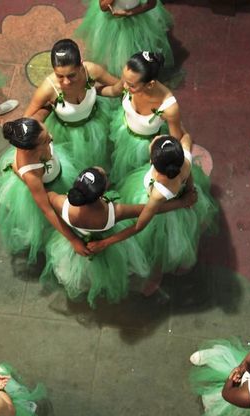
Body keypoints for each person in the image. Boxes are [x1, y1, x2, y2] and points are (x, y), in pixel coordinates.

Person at [41, 167, 195, 306]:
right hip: (104, 242)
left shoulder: (62, 203)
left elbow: (47, 199)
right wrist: (181, 203)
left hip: (75, 243)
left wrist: (73, 239)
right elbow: (150, 209)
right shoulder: (113, 212)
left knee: (85, 272)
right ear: (101, 193)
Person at [92, 136, 216, 276]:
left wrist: (105, 243)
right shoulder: (185, 159)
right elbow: (186, 138)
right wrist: (189, 188)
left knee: (156, 240)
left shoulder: (158, 194)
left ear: (153, 163)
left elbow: (139, 226)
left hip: (164, 212)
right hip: (179, 193)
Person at [0, 118, 91, 263]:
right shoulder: (32, 174)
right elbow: (47, 210)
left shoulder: (31, 132)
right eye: (45, 140)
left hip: (56, 172)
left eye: (47, 133)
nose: (51, 138)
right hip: (49, 187)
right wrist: (73, 239)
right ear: (29, 150)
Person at [24, 39, 121, 170]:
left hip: (97, 121)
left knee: (101, 152)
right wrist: (45, 111)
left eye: (72, 75)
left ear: (81, 66)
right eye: (60, 76)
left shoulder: (91, 70)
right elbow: (27, 119)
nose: (66, 82)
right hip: (67, 135)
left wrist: (101, 91)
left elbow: (117, 84)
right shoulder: (48, 88)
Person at [108, 51, 189, 182]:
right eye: (124, 79)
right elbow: (113, 90)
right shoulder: (129, 81)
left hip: (145, 148)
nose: (124, 86)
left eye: (131, 85)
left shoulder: (169, 107)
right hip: (123, 130)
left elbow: (175, 142)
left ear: (150, 84)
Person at [75, 0, 174, 77]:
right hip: (112, 20)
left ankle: (136, 71)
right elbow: (103, 6)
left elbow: (152, 4)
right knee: (112, 47)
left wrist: (129, 13)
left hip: (137, 18)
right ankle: (117, 71)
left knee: (137, 46)